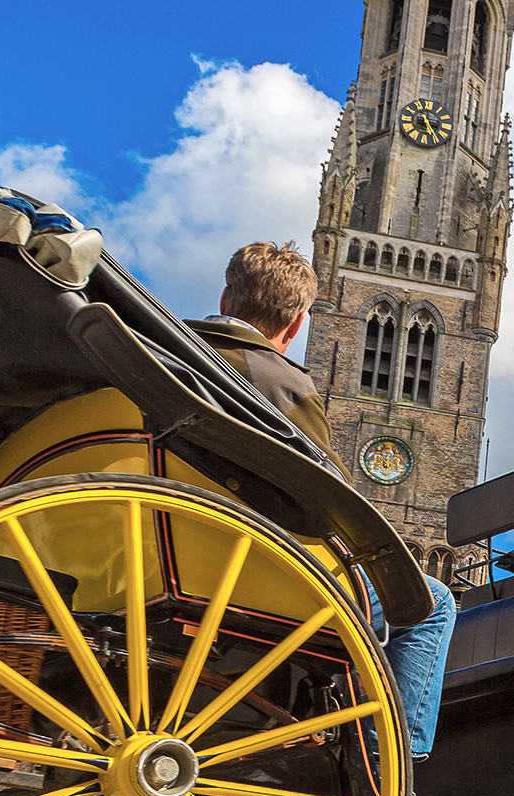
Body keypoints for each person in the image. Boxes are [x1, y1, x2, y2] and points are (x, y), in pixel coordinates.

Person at [188, 243, 456, 760]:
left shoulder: (161, 353)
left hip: (161, 551)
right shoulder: (282, 385)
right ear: (297, 325)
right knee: (433, 602)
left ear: (225, 298)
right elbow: (324, 506)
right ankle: (393, 757)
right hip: (251, 573)